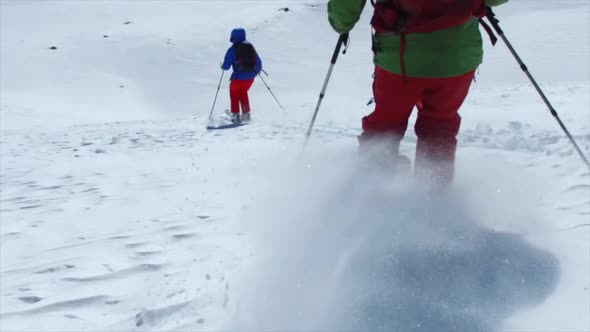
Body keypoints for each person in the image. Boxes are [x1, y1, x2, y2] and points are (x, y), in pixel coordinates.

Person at [327, 0, 508, 185]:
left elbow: (345, 8)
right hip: (457, 55)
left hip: (399, 57)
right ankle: (433, 193)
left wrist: (342, 23)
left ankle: (373, 187)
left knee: (386, 125)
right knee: (439, 126)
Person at [221, 28, 262, 123]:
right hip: (250, 79)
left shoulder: (233, 49)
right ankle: (246, 114)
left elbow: (226, 66)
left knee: (234, 93)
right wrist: (256, 72)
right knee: (243, 92)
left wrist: (222, 66)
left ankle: (235, 115)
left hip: (238, 78)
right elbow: (259, 62)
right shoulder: (250, 47)